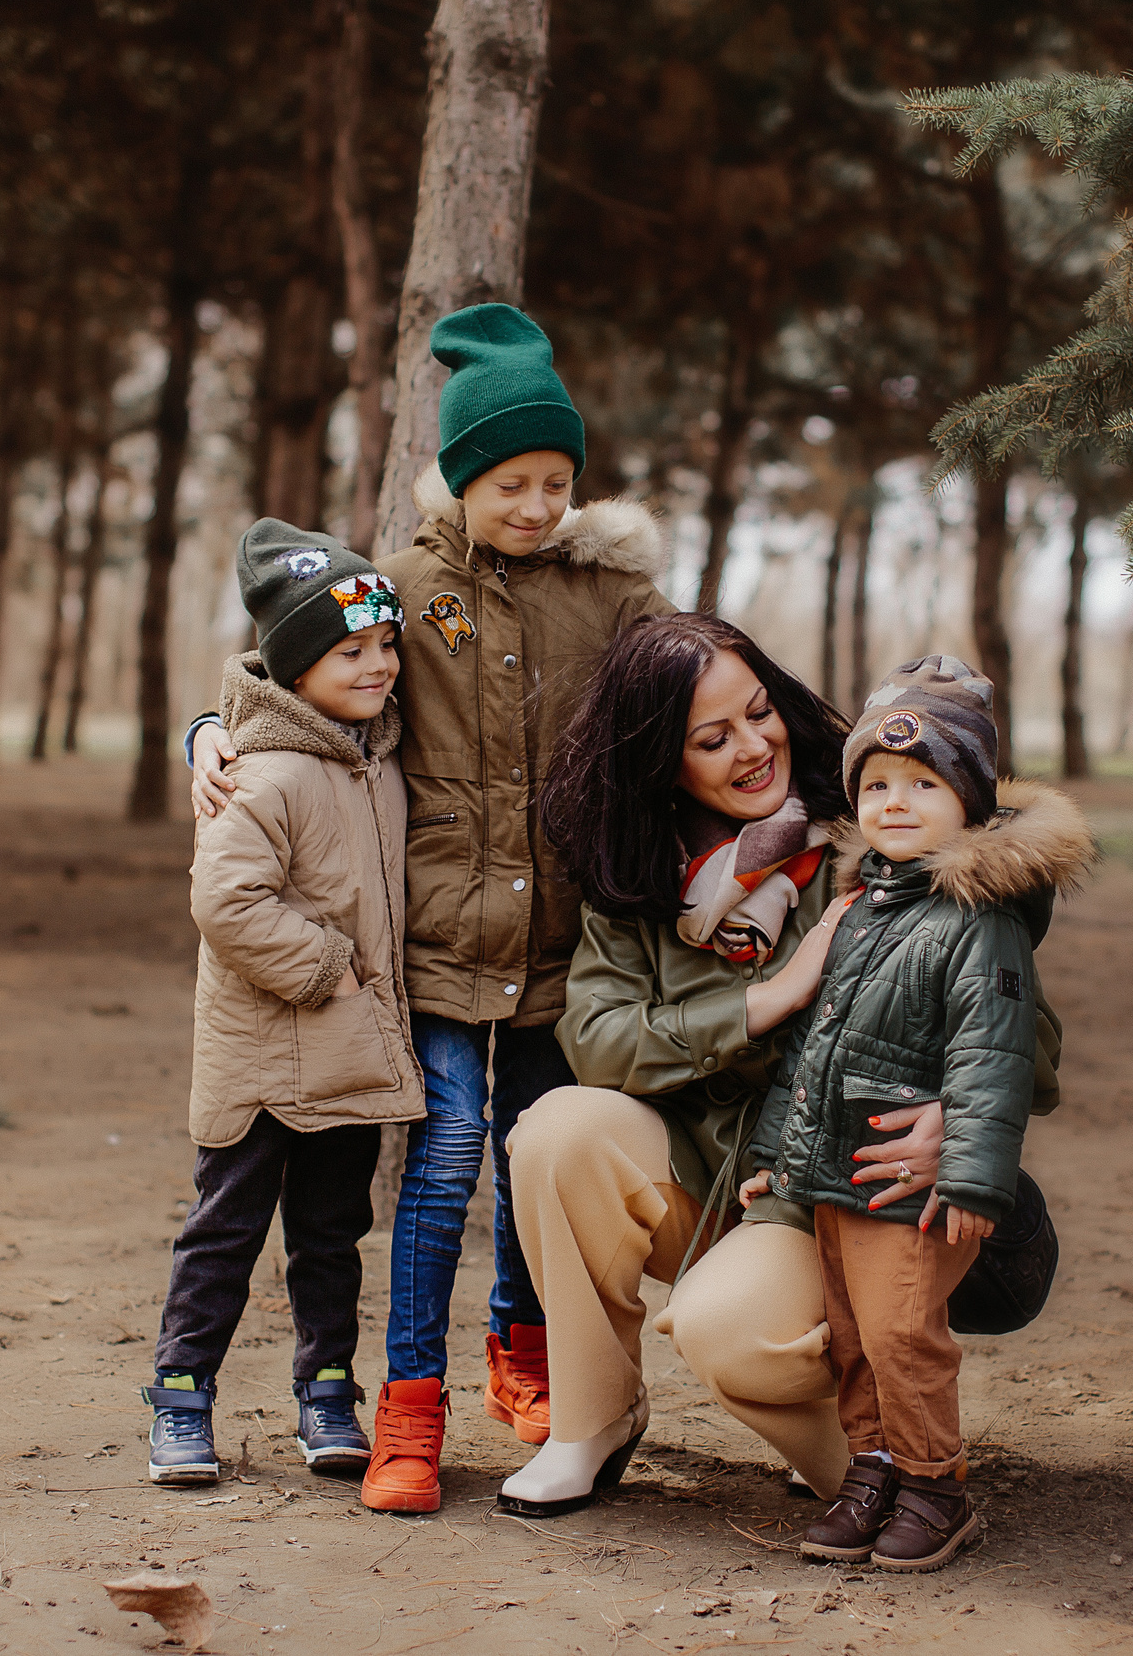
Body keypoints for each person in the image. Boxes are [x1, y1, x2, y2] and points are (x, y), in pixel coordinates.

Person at [186, 303, 674, 1514]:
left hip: (565, 941)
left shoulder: (609, 598)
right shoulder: (403, 586)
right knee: (446, 1154)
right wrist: (209, 730)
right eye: (510, 481)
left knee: (538, 1161)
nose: (535, 505)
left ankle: (524, 1349)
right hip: (438, 942)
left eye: (555, 480)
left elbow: (694, 692)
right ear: (461, 481)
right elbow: (304, 674)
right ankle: (409, 1404)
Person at [495, 614, 952, 1517]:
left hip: (829, 1195)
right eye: (714, 737)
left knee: (724, 1327)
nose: (755, 746)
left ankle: (880, 1453)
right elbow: (596, 1037)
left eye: (761, 712)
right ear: (663, 761)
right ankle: (592, 1419)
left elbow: (1024, 1031)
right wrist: (767, 999)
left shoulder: (876, 831)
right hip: (706, 1180)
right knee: (555, 1130)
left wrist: (961, 1114)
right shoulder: (641, 873)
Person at [745, 655, 1094, 1572]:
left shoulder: (982, 920)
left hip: (916, 1184)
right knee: (853, 1337)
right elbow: (815, 1045)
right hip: (836, 1173)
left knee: (904, 1334)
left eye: (924, 784)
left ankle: (936, 1482)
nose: (895, 803)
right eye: (878, 785)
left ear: (971, 803)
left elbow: (992, 1058)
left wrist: (976, 1173)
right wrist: (779, 1149)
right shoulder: (860, 907)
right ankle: (871, 1468)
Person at [143, 520, 425, 1488]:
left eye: (386, 645)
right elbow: (224, 901)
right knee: (224, 1230)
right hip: (266, 1055)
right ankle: (181, 1398)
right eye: (351, 651)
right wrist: (325, 967)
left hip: (343, 1056)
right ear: (297, 665)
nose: (379, 665)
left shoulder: (376, 755)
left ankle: (326, 1392)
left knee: (330, 1232)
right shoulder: (263, 772)